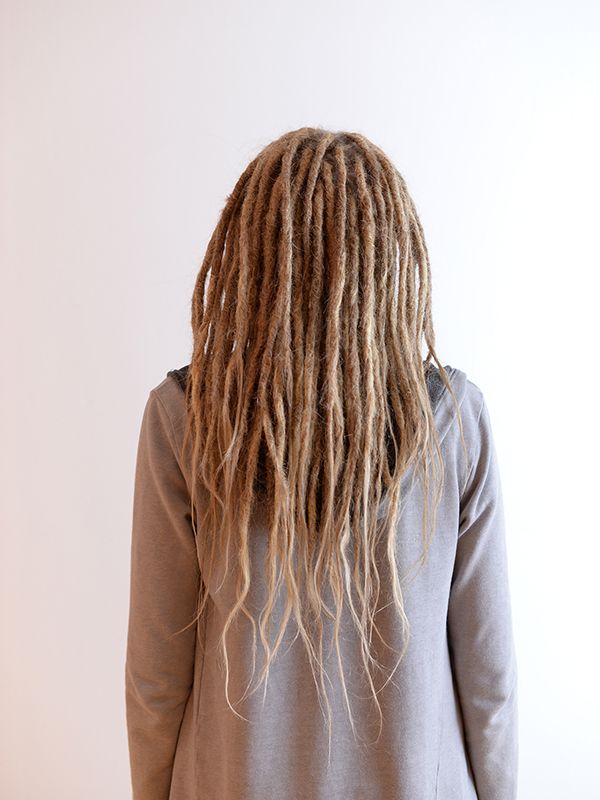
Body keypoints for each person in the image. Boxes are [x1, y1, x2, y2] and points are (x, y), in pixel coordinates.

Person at [124, 126, 518, 800]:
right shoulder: (452, 420)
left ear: (252, 254)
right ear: (389, 258)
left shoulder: (187, 417)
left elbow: (155, 678)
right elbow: (490, 680)